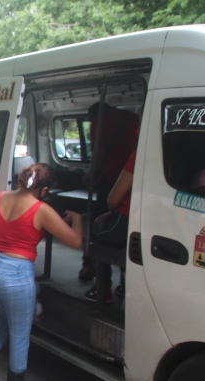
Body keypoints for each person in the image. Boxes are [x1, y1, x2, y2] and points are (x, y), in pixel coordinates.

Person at [0, 164, 83, 381]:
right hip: (15, 275)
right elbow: (75, 241)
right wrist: (77, 219)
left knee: (9, 319)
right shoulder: (42, 209)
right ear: (44, 190)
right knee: (21, 332)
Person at [79, 102, 139, 282]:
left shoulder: (100, 121)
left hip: (114, 178)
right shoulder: (132, 117)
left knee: (98, 225)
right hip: (136, 182)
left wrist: (90, 174)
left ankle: (96, 274)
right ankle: (124, 281)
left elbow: (99, 154)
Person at [84, 150, 137, 302]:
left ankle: (102, 288)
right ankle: (125, 284)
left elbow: (113, 199)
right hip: (149, 221)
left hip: (128, 217)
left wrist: (110, 213)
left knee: (97, 227)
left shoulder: (141, 153)